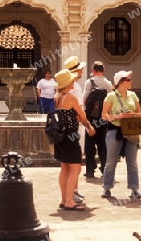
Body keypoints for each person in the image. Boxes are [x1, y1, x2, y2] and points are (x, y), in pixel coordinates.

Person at [53, 68, 96, 210]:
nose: (74, 81)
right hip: (71, 137)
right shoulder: (70, 98)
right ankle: (70, 201)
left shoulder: (57, 97)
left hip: (61, 137)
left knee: (64, 168)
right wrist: (90, 128)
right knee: (75, 168)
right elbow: (82, 116)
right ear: (67, 83)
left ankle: (64, 199)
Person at [101, 70, 141, 199]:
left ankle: (134, 189)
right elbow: (104, 115)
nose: (131, 81)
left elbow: (140, 114)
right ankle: (107, 187)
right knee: (111, 161)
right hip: (115, 130)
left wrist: (132, 115)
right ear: (120, 82)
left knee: (132, 162)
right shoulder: (111, 96)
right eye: (128, 80)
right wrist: (118, 116)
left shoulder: (133, 95)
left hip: (131, 130)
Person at [82, 61, 113, 178]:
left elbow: (84, 99)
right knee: (103, 143)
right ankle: (105, 168)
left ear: (93, 70)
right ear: (103, 71)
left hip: (91, 117)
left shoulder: (89, 82)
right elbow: (110, 100)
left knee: (89, 143)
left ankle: (90, 170)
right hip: (103, 117)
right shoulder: (108, 83)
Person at [64, 55, 86, 202]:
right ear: (77, 70)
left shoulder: (62, 88)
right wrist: (87, 124)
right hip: (76, 127)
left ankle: (69, 191)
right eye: (81, 68)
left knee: (66, 164)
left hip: (66, 127)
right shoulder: (76, 87)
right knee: (76, 163)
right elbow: (79, 109)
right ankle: (73, 191)